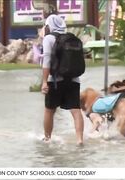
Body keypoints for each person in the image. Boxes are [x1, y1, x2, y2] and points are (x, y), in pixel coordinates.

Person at [41, 14, 84, 145]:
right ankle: (80, 140)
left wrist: (44, 82)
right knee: (76, 110)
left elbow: (47, 61)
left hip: (54, 80)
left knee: (49, 110)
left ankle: (47, 138)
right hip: (74, 79)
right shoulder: (72, 39)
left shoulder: (48, 38)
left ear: (49, 26)